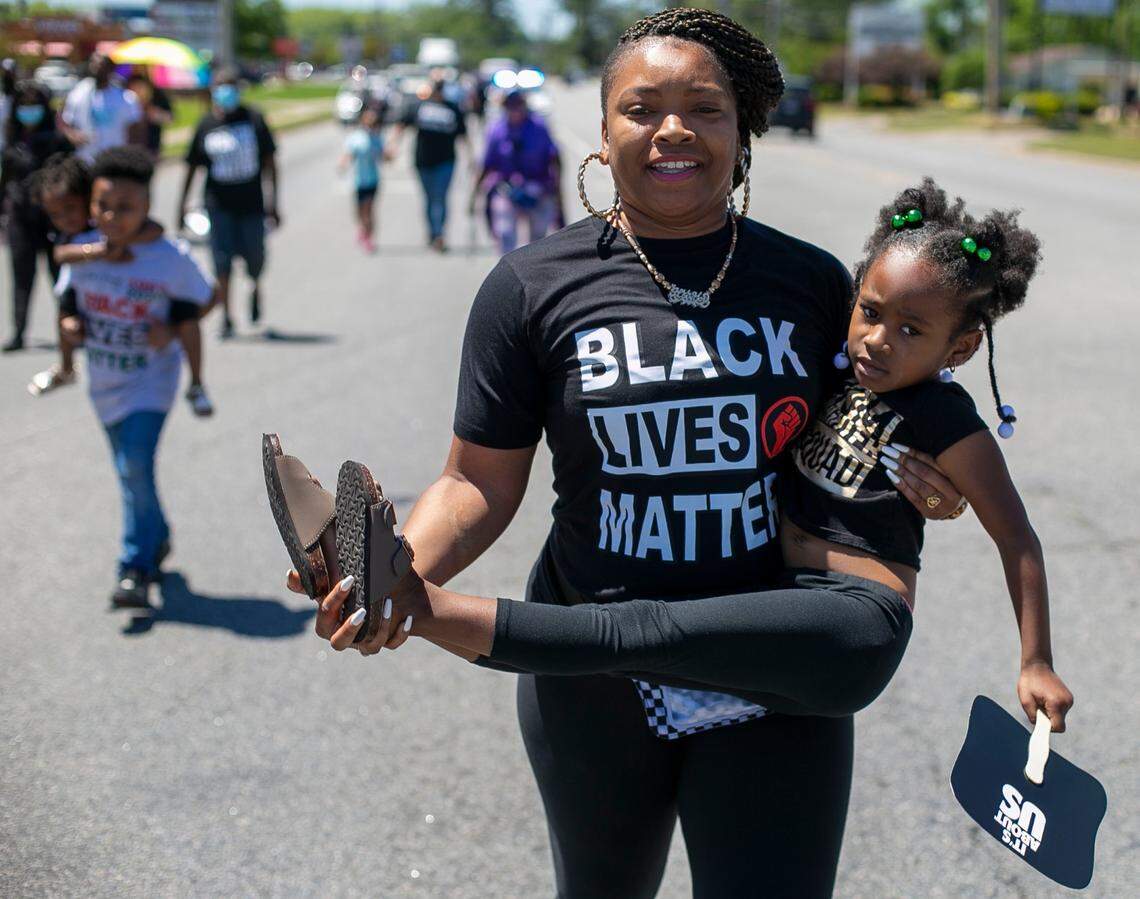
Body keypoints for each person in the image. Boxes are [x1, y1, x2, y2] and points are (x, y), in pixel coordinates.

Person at [295, 10, 972, 897]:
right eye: (642, 108)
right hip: (591, 667)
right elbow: (475, 480)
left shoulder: (812, 285)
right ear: (604, 131)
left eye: (705, 107)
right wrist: (390, 576)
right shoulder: (531, 287)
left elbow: (876, 419)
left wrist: (930, 476)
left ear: (742, 128)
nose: (674, 130)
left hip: (766, 660)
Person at [324, 176, 1074, 743]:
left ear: (963, 347)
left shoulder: (946, 415)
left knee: (640, 630)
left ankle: (413, 606)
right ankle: (383, 582)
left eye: (912, 330)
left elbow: (1019, 538)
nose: (877, 338)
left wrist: (1034, 658)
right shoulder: (839, 364)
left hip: (849, 621)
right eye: (870, 312)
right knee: (638, 636)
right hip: (771, 602)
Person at [56, 147, 214, 607]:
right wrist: (70, 326)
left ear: (147, 207)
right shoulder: (86, 249)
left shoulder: (169, 258)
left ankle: (134, 568)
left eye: (125, 208)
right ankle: (157, 535)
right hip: (102, 382)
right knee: (132, 476)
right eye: (102, 205)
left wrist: (172, 328)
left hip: (151, 384)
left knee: (133, 468)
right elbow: (67, 301)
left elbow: (206, 297)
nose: (111, 216)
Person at [178, 68, 279, 338]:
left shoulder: (254, 120)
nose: (225, 92)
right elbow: (192, 167)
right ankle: (226, 316)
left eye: (230, 86)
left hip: (251, 205)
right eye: (220, 86)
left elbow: (270, 163)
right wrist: (182, 205)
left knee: (254, 259)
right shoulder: (206, 124)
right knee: (221, 263)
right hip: (218, 206)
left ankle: (256, 286)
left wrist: (274, 203)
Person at [1, 81, 72, 352]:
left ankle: (69, 326)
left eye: (34, 106)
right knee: (21, 278)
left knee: (61, 277)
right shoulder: (13, 141)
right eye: (24, 106)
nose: (28, 111)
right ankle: (19, 332)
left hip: (52, 219)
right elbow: (5, 181)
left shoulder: (57, 141)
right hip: (20, 218)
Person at [471, 89, 562, 255]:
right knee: (505, 232)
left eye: (518, 106)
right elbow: (486, 164)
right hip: (506, 188)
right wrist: (475, 195)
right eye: (510, 106)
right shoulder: (496, 130)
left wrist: (557, 194)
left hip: (538, 186)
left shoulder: (539, 127)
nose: (514, 110)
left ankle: (534, 270)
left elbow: (555, 159)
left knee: (538, 237)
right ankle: (508, 269)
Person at [386, 78, 468, 252]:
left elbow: (463, 135)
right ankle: (432, 232)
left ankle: (440, 235)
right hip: (423, 161)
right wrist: (392, 145)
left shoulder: (452, 108)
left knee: (441, 197)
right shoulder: (420, 106)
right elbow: (402, 125)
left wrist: (472, 158)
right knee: (429, 198)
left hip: (446, 161)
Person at [59, 53, 144, 164]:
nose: (97, 67)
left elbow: (136, 128)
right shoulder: (79, 92)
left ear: (111, 68)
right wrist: (73, 136)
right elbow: (65, 121)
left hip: (115, 159)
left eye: (102, 65)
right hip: (85, 159)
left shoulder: (125, 97)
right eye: (94, 64)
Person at [338, 106, 384, 253]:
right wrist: (343, 164)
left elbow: (383, 155)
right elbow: (348, 154)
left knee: (369, 210)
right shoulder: (356, 138)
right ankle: (363, 230)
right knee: (359, 212)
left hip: (373, 180)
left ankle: (369, 237)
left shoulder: (377, 138)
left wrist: (389, 155)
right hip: (358, 180)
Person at [125, 71, 173, 160]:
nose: (137, 91)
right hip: (129, 147)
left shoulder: (157, 96)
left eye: (140, 87)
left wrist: (155, 114)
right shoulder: (124, 102)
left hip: (151, 148)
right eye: (133, 88)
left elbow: (170, 118)